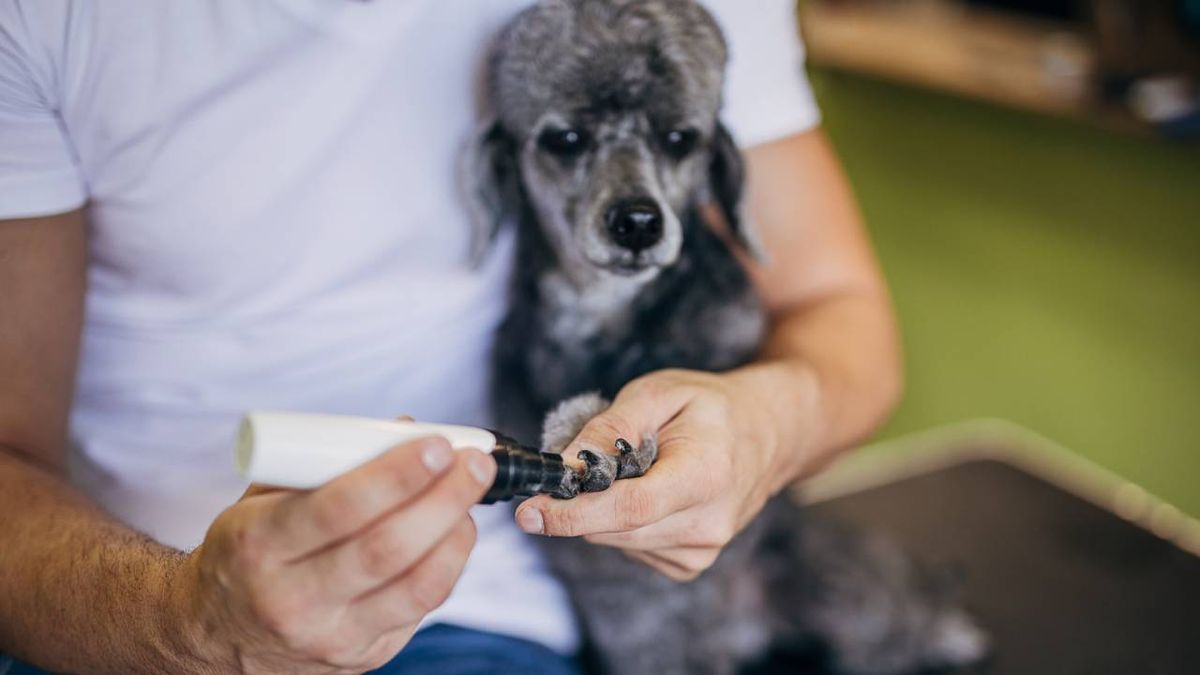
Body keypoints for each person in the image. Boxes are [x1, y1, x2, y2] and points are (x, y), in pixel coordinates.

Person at [0, 1, 900, 673]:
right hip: (109, 614)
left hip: (488, 613)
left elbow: (840, 309)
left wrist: (765, 424)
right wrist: (189, 620)